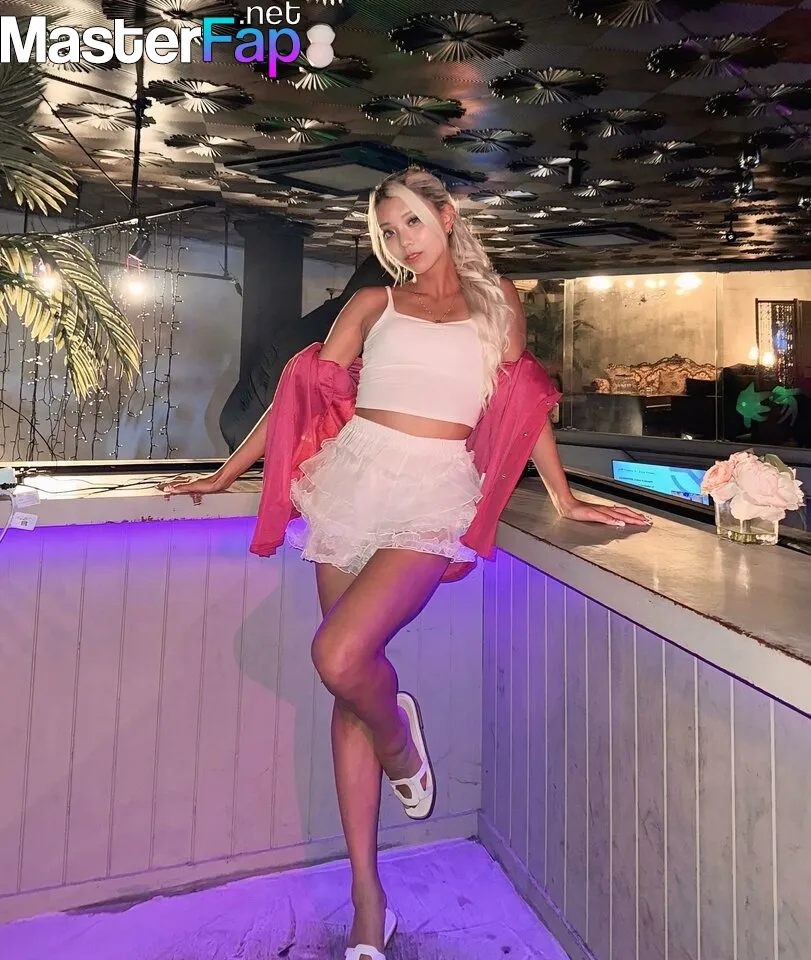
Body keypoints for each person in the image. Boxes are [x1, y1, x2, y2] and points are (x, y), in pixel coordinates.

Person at [159, 166, 650, 960]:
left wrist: (562, 497)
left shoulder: (498, 304)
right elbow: (299, 396)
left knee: (339, 656)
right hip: (349, 480)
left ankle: (401, 746)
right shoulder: (371, 303)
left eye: (411, 223)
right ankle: (368, 900)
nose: (399, 242)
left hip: (433, 491)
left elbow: (520, 403)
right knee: (347, 687)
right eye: (386, 231)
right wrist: (224, 475)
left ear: (446, 217)